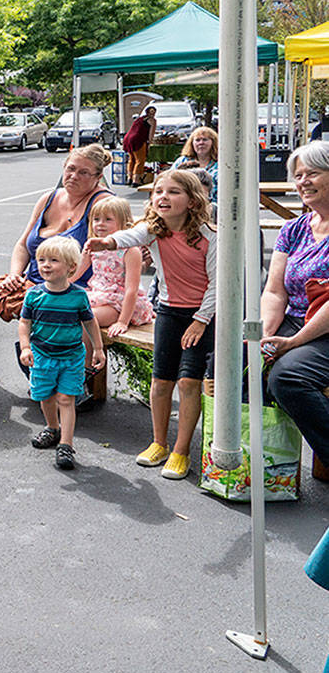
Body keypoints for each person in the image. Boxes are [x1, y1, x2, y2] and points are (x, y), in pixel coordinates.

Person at [86, 168, 216, 480]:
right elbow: (131, 236)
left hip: (203, 315)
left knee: (188, 383)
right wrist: (107, 243)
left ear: (192, 200)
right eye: (158, 191)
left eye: (173, 192)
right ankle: (159, 442)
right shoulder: (154, 229)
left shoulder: (210, 235)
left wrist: (200, 321)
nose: (163, 197)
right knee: (160, 382)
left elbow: (217, 285)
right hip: (169, 311)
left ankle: (181, 451)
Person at [0, 144, 113, 384]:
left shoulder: (102, 204)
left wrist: (56, 287)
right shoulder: (49, 199)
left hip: (76, 287)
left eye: (84, 173)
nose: (73, 176)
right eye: (70, 169)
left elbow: (108, 251)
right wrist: (14, 276)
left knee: (50, 309)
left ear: (98, 177)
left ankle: (62, 381)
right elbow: (23, 245)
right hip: (32, 279)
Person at [260, 141, 329, 475]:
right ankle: (257, 465)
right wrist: (262, 333)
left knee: (288, 376)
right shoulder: (294, 228)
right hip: (295, 320)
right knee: (232, 361)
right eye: (298, 175)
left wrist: (292, 343)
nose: (302, 181)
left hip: (323, 329)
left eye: (312, 173)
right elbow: (275, 291)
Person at [18, 236, 106, 470]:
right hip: (42, 355)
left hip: (71, 357)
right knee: (45, 396)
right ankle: (52, 428)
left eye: (53, 260)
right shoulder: (34, 295)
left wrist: (98, 348)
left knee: (66, 399)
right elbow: (24, 323)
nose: (45, 265)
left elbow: (90, 322)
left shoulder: (78, 296)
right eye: (41, 260)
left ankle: (66, 445)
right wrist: (25, 346)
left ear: (71, 267)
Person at [78, 196, 154, 337]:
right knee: (66, 311)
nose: (100, 224)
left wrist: (122, 322)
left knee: (86, 319)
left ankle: (88, 359)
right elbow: (76, 274)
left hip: (121, 303)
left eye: (108, 219)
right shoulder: (93, 246)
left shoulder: (130, 251)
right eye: (96, 219)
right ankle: (84, 357)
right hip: (99, 295)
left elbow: (132, 289)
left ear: (124, 223)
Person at [171, 126, 219, 204]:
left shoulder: (220, 163)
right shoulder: (182, 161)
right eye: (197, 140)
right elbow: (170, 178)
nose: (201, 143)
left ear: (213, 142)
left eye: (205, 139)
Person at [123, 105, 156, 185]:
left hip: (128, 138)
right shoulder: (152, 120)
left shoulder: (140, 119)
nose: (153, 114)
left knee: (132, 159)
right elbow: (151, 134)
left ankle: (129, 178)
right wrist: (150, 143)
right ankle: (136, 180)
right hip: (138, 140)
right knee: (140, 160)